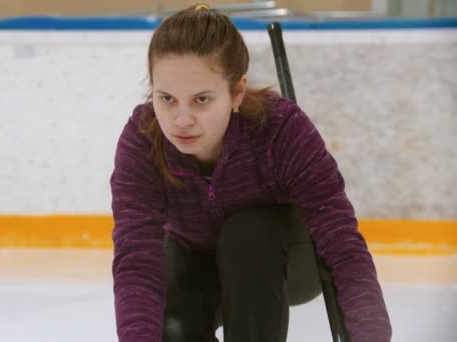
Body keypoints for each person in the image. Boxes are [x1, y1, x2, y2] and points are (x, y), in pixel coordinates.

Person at [110, 4, 391, 342]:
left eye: (201, 99)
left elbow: (341, 243)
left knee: (247, 231)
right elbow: (136, 259)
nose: (181, 119)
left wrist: (371, 334)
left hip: (283, 260)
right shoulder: (143, 138)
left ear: (237, 91)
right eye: (167, 98)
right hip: (197, 258)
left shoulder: (280, 129)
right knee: (171, 318)